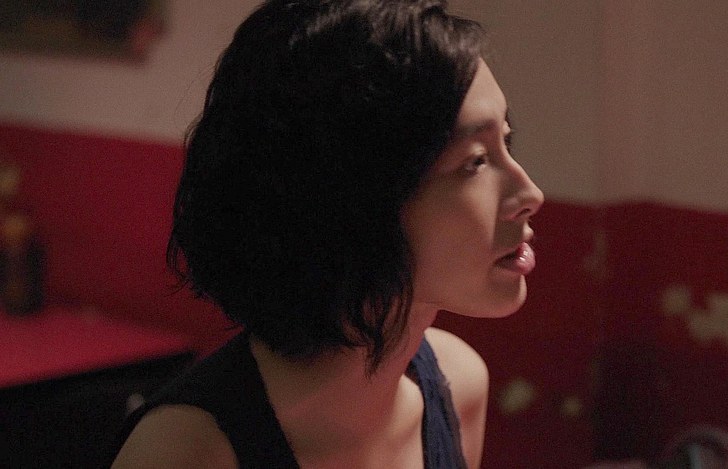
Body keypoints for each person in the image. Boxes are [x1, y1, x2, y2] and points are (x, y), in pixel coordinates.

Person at [111, 0, 543, 467]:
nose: (531, 194)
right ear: (352, 196)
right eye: (475, 161)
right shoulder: (188, 451)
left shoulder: (457, 386)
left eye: (507, 140)